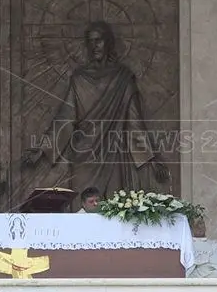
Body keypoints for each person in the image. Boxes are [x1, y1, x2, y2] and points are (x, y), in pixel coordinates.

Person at [22, 21, 170, 198]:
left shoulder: (122, 78)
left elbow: (134, 122)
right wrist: (42, 150)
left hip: (113, 156)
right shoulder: (79, 79)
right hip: (84, 157)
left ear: (108, 42)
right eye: (90, 42)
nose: (95, 46)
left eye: (99, 40)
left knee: (114, 210)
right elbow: (65, 119)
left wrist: (151, 158)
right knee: (82, 212)